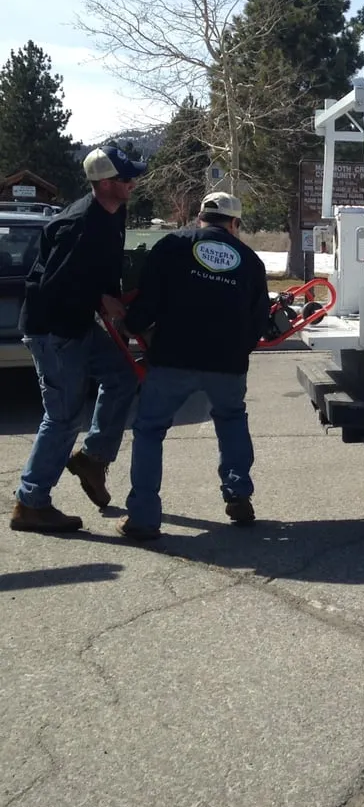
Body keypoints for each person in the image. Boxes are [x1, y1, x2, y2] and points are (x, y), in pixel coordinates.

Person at [117, 191, 270, 541]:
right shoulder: (249, 260)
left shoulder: (171, 245)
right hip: (227, 363)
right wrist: (238, 350)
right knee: (231, 420)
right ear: (235, 223)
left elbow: (148, 300)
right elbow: (258, 319)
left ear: (200, 216)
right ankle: (238, 495)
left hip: (173, 356)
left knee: (150, 430)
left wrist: (133, 325)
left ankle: (143, 516)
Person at [10, 145, 146, 534]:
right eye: (126, 178)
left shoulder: (115, 211)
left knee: (122, 376)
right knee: (63, 417)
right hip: (52, 330)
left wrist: (113, 301)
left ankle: (92, 458)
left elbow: (102, 271)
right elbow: (50, 286)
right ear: (104, 183)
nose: (133, 183)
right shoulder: (77, 225)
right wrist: (98, 298)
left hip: (78, 324)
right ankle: (31, 502)